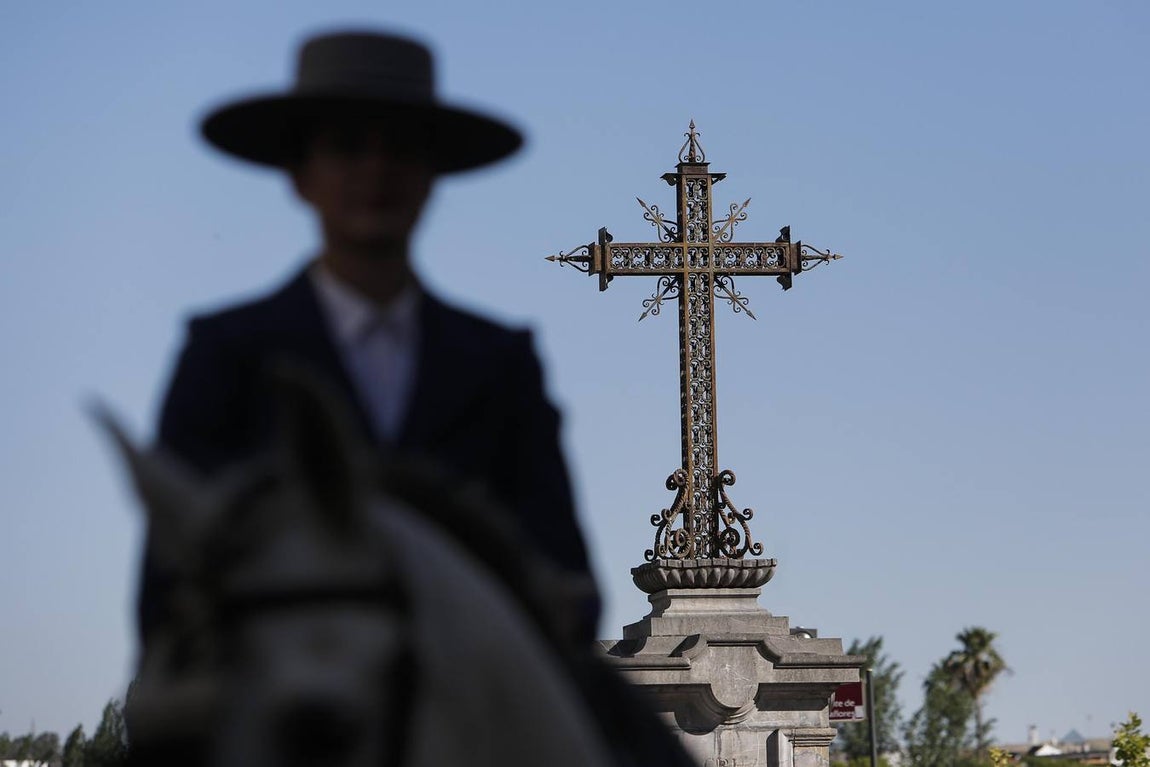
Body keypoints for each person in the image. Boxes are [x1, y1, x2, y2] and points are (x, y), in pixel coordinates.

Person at [143, 30, 599, 642]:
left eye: (402, 148)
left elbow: (562, 574)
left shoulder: (499, 363)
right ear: (300, 176)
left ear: (433, 174)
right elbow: (173, 580)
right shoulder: (227, 352)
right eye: (347, 146)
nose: (376, 169)